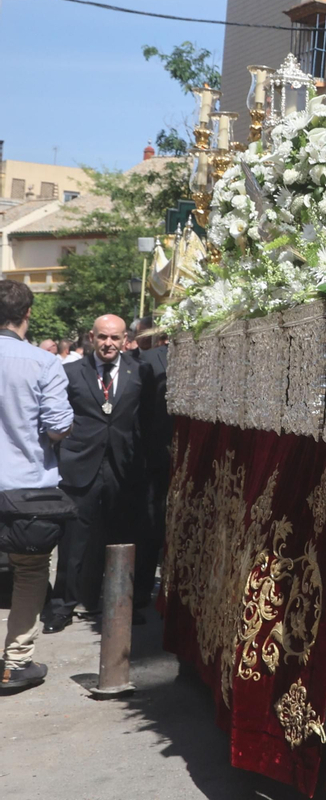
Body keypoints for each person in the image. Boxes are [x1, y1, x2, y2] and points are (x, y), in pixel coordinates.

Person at [45, 313, 154, 630]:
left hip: (124, 466)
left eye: (115, 337)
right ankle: (62, 607)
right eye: (103, 337)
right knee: (73, 542)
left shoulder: (140, 372)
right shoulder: (70, 372)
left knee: (124, 539)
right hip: (81, 466)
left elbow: (145, 419)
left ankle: (124, 605)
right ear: (92, 338)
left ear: (125, 340)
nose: (109, 343)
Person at [0, 280, 74, 692]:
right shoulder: (42, 363)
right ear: (27, 314)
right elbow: (59, 427)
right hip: (24, 488)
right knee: (29, 570)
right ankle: (15, 662)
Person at [129, 315, 170, 610]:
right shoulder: (146, 361)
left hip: (158, 457)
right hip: (157, 458)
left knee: (152, 527)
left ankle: (144, 591)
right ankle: (143, 591)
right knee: (151, 527)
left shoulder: (146, 360)